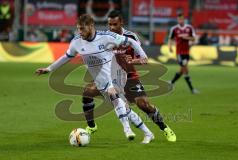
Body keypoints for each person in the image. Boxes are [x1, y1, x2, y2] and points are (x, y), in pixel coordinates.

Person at [36, 14, 154, 144]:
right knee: (124, 109)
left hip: (115, 75)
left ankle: (127, 129)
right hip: (100, 81)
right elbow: (66, 56)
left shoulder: (106, 37)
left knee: (114, 96)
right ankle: (148, 133)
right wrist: (49, 69)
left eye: (82, 29)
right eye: (78, 29)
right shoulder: (76, 42)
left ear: (91, 26)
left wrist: (143, 56)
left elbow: (131, 41)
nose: (79, 32)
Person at [82, 10, 176, 142]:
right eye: (109, 24)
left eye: (115, 24)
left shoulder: (131, 37)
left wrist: (132, 61)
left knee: (143, 105)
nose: (112, 27)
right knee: (87, 92)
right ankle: (91, 126)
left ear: (121, 22)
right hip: (110, 77)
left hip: (130, 76)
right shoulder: (104, 37)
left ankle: (165, 128)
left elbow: (144, 60)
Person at [168, 14, 199, 94]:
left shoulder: (189, 28)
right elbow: (171, 39)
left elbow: (194, 38)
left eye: (181, 19)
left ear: (184, 20)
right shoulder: (174, 29)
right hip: (179, 53)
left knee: (182, 70)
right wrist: (170, 47)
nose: (180, 21)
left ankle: (171, 82)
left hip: (187, 52)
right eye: (179, 19)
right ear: (177, 20)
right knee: (185, 69)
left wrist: (186, 38)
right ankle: (192, 89)